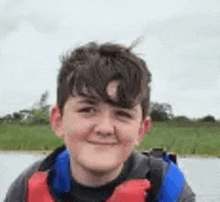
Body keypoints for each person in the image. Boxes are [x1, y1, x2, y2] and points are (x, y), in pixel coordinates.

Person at [4, 42, 195, 202]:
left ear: (141, 130)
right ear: (58, 121)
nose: (104, 128)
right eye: (87, 110)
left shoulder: (167, 189)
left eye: (122, 114)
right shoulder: (29, 186)